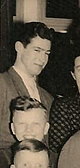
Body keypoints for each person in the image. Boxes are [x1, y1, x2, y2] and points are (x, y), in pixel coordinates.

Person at [0, 22, 54, 150]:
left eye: (46, 53)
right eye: (37, 50)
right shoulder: (2, 84)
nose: (42, 59)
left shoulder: (47, 97)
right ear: (19, 47)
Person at [0, 96, 56, 168]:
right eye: (22, 124)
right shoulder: (2, 159)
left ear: (46, 128)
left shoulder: (57, 162)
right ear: (13, 128)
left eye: (35, 124)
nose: (28, 130)